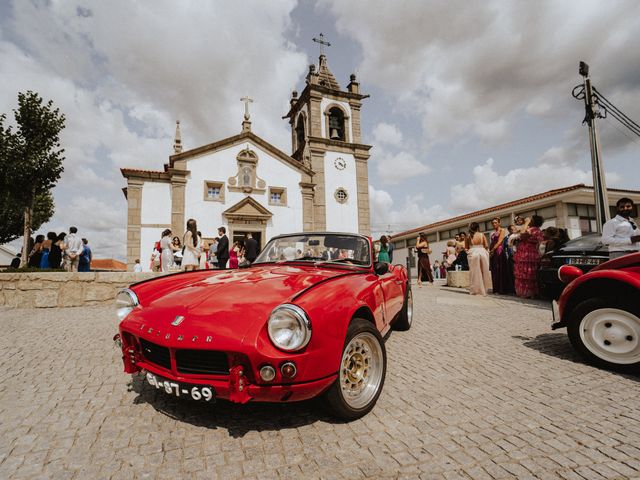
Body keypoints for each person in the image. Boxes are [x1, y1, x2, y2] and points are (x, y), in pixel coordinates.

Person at [514, 215, 545, 298]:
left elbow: (522, 234)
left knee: (524, 273)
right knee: (531, 273)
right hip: (533, 252)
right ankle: (533, 292)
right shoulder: (539, 230)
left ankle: (526, 292)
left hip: (525, 253)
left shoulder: (531, 230)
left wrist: (526, 223)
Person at [467, 222, 492, 296]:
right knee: (483, 271)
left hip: (473, 252)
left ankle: (475, 290)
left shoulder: (469, 236)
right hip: (482, 252)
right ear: (478, 227)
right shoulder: (482, 235)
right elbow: (486, 246)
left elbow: (466, 247)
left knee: (474, 273)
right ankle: (483, 289)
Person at [488, 217, 512, 294]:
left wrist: (492, 249)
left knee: (499, 269)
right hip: (493, 251)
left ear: (499, 223)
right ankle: (496, 288)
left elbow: (500, 241)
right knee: (494, 270)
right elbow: (491, 242)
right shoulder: (493, 233)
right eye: (493, 223)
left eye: (495, 222)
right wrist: (489, 250)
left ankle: (501, 289)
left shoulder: (502, 230)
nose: (494, 224)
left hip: (498, 251)